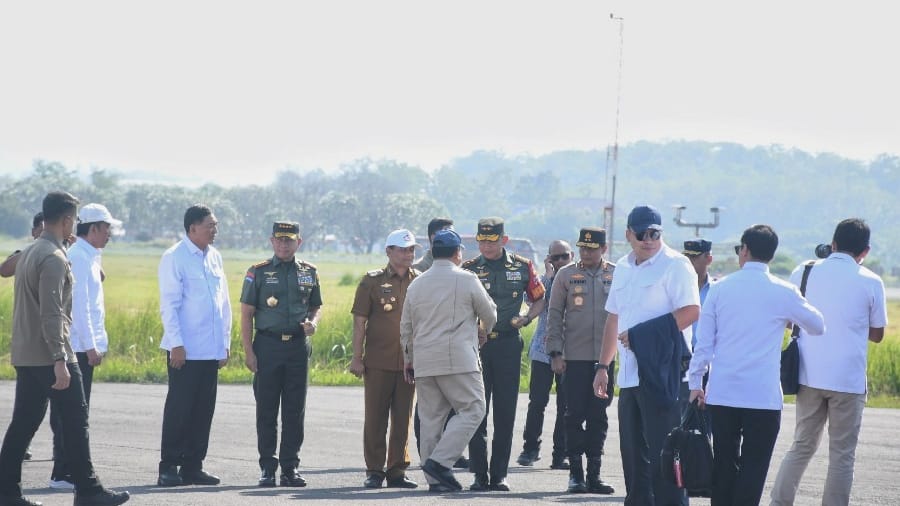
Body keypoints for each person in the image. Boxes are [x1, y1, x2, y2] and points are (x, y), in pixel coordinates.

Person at [0, 191, 130, 506]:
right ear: (68, 219)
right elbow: (52, 313)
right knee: (76, 420)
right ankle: (88, 490)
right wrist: (60, 358)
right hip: (51, 353)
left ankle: (6, 491)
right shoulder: (54, 258)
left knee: (24, 423)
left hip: (28, 353)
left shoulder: (32, 251)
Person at [687, 224, 825, 506]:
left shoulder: (720, 289)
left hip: (723, 393)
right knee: (754, 467)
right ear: (771, 255)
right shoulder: (784, 291)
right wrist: (788, 317)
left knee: (723, 464)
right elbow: (818, 325)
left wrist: (695, 383)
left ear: (745, 250)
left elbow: (704, 344)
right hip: (762, 396)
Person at [771, 218, 887, 506]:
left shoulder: (805, 271)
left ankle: (779, 502)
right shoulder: (872, 281)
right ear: (865, 251)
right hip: (848, 379)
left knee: (801, 445)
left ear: (833, 244)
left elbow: (789, 319)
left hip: (808, 374)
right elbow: (877, 334)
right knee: (842, 455)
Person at [593, 204, 700, 506]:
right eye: (642, 234)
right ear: (628, 234)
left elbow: (691, 311)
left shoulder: (676, 265)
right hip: (630, 375)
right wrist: (603, 366)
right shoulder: (623, 267)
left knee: (666, 457)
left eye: (655, 233)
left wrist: (643, 335)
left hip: (664, 375)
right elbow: (614, 318)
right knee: (633, 459)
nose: (649, 240)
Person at [400, 229, 497, 493]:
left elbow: (406, 326)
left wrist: (409, 359)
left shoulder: (417, 283)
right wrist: (483, 330)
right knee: (473, 408)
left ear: (433, 252)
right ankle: (441, 463)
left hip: (424, 359)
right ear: (457, 253)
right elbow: (489, 313)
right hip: (458, 359)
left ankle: (435, 480)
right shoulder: (467, 279)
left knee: (431, 419)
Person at [463, 217, 545, 492]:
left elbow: (539, 298)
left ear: (504, 240)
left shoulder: (522, 266)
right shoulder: (469, 269)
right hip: (478, 346)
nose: (486, 246)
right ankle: (479, 474)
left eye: (492, 241)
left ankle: (498, 474)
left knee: (505, 411)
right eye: (482, 240)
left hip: (508, 344)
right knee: (477, 409)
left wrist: (526, 317)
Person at [157, 204, 232, 487]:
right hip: (185, 350)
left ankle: (193, 466)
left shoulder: (215, 256)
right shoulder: (174, 257)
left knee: (203, 411)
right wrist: (176, 343)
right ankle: (168, 466)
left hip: (210, 349)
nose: (215, 230)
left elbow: (223, 304)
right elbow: (170, 305)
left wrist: (224, 343)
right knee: (180, 409)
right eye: (210, 225)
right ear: (192, 228)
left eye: (216, 225)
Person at [240, 221, 320, 488]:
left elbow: (315, 307)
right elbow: (246, 314)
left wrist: (313, 323)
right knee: (266, 409)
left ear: (299, 242)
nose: (284, 245)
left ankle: (290, 468)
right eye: (280, 239)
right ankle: (267, 467)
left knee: (295, 410)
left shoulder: (309, 272)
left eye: (290, 240)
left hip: (297, 347)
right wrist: (249, 352)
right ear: (272, 241)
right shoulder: (258, 272)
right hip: (268, 345)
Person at [49, 204, 121, 489]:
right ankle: (62, 472)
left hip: (81, 346)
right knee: (72, 414)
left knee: (76, 412)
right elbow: (78, 308)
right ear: (93, 229)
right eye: (107, 228)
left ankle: (68, 470)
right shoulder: (79, 257)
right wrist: (91, 346)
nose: (109, 234)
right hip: (77, 348)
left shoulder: (89, 255)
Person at [348, 229, 419, 489]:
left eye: (411, 249)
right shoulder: (372, 281)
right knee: (375, 418)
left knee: (402, 418)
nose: (408, 254)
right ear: (389, 251)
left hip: (409, 363)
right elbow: (360, 321)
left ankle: (397, 470)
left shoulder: (420, 280)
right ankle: (375, 470)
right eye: (402, 249)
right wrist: (357, 357)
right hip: (378, 361)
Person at [547, 228, 616, 494]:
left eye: (592, 248)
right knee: (574, 415)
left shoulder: (616, 274)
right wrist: (555, 352)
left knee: (599, 416)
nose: (586, 253)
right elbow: (554, 314)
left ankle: (594, 474)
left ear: (603, 249)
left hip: (604, 359)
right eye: (582, 248)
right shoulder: (566, 275)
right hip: (574, 358)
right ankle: (576, 474)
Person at [410, 217, 468, 470]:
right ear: (432, 238)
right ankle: (429, 455)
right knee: (428, 408)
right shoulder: (419, 270)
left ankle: (449, 452)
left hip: (453, 345)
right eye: (444, 233)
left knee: (454, 404)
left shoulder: (459, 269)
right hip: (428, 344)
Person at [516, 240, 572, 470]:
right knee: (537, 401)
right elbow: (534, 300)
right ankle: (530, 449)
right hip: (542, 349)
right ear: (549, 259)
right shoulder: (543, 280)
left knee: (565, 405)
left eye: (564, 256)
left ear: (571, 255)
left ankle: (561, 454)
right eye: (555, 257)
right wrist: (548, 275)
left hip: (570, 351)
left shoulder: (576, 278)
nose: (560, 261)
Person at [1, 212, 44, 464]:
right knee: (28, 403)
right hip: (29, 337)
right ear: (34, 232)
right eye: (42, 229)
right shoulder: (25, 254)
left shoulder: (60, 255)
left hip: (55, 337)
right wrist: (33, 250)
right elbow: (4, 270)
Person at [0, 212, 44, 278]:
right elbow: (4, 271)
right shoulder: (22, 254)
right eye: (42, 231)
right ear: (33, 232)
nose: (45, 235)